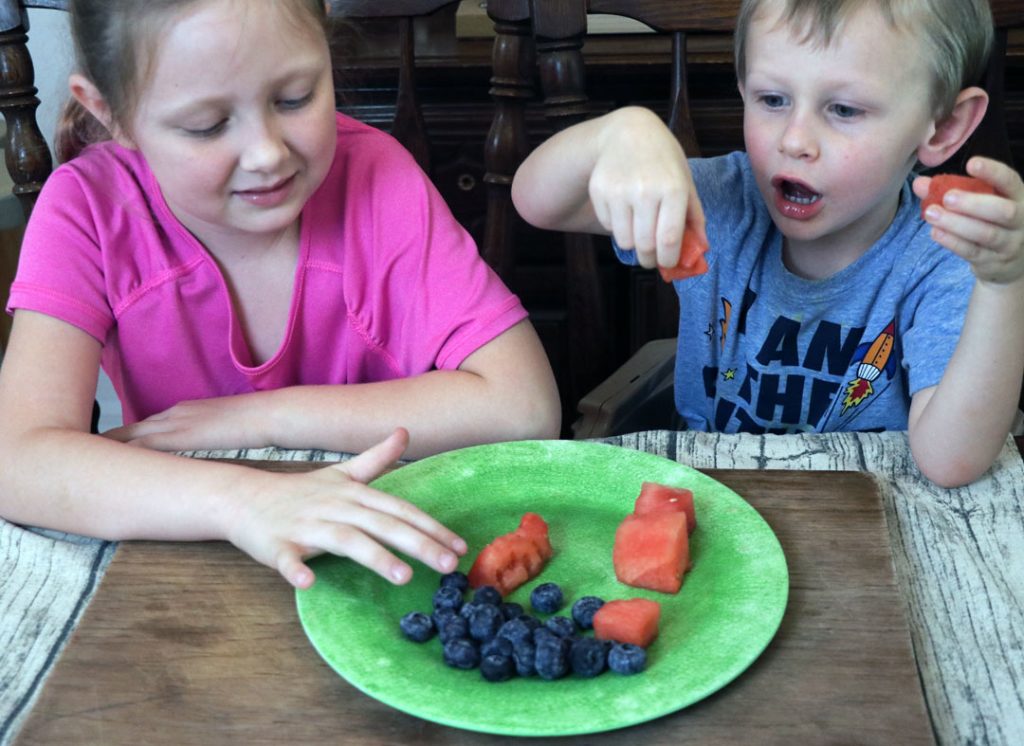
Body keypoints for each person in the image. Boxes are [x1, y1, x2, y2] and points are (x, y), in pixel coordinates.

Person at [0, 0, 561, 589]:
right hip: (190, 564)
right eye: (207, 125)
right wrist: (244, 502)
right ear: (110, 113)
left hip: (382, 557)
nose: (268, 153)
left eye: (294, 98)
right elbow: (16, 459)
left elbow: (525, 408)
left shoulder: (378, 180)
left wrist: (256, 417)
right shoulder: (87, 209)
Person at [511, 0, 1024, 488]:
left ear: (945, 127)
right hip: (713, 496)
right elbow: (537, 202)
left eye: (844, 109)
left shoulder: (946, 257)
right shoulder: (719, 201)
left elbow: (951, 461)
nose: (794, 139)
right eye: (772, 100)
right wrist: (618, 133)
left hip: (864, 511)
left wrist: (1004, 285)